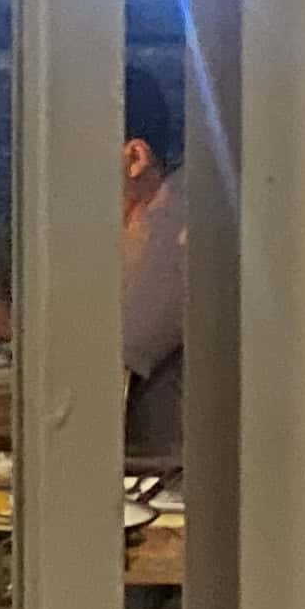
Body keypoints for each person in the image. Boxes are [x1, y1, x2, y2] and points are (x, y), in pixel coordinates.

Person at [122, 62, 187, 470]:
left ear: (135, 157)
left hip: (170, 481)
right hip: (148, 466)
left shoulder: (177, 223)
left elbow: (111, 353)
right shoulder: (152, 215)